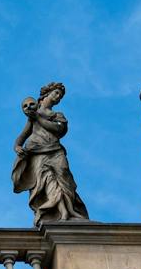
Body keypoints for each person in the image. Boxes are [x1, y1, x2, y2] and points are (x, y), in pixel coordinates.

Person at [11, 81, 89, 224]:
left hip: (55, 151)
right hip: (38, 153)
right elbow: (21, 137)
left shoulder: (56, 115)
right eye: (56, 93)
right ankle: (63, 214)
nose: (58, 97)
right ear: (46, 94)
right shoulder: (32, 117)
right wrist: (17, 147)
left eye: (60, 95)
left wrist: (38, 118)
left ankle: (71, 210)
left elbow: (59, 130)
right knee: (48, 181)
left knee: (64, 176)